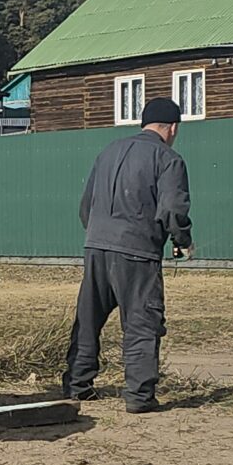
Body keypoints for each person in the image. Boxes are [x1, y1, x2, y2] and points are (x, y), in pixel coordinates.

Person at [65, 94, 192, 413]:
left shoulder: (109, 151)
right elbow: (173, 209)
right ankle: (138, 396)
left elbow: (85, 206)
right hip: (137, 251)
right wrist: (183, 239)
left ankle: (77, 386)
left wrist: (99, 234)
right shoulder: (167, 159)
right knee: (141, 322)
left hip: (96, 246)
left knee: (89, 317)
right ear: (173, 128)